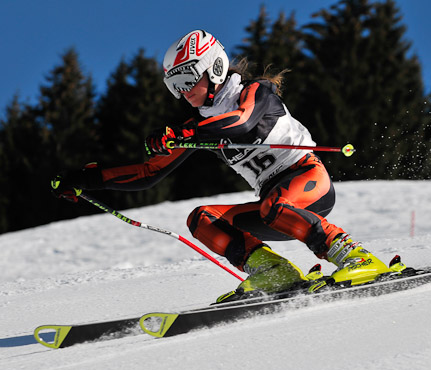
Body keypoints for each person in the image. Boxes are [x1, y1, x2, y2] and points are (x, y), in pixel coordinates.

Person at [51, 29, 408, 303]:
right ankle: (272, 273)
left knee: (275, 204)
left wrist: (186, 132)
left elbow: (242, 122)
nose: (183, 91)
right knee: (202, 218)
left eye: (188, 78)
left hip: (307, 179)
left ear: (215, 67)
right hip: (274, 206)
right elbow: (148, 174)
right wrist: (84, 180)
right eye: (174, 84)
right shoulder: (200, 124)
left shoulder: (254, 92)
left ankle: (357, 259)